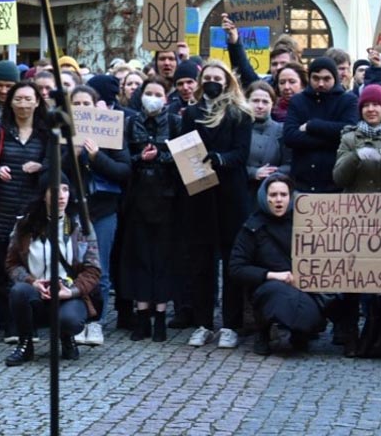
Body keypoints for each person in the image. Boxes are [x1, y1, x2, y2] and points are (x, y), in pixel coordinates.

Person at [332, 84, 381, 358]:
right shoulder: (349, 138)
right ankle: (352, 338)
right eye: (366, 105)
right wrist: (355, 156)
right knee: (352, 282)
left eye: (376, 105)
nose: (371, 109)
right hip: (355, 220)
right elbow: (339, 177)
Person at [181, 60, 253, 349]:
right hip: (200, 194)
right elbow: (183, 147)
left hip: (231, 196)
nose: (212, 81)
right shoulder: (191, 113)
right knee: (201, 261)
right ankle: (202, 322)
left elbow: (241, 153)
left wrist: (219, 158)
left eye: (217, 77)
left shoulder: (239, 114)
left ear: (227, 82)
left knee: (231, 262)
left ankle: (231, 323)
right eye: (207, 77)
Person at [3, 177, 101, 366]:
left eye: (65, 189)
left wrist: (70, 291)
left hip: (68, 292)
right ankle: (25, 343)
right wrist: (32, 281)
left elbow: (94, 270)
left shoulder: (81, 226)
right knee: (18, 292)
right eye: (55, 190)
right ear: (44, 195)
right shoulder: (25, 225)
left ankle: (66, 337)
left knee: (69, 320)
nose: (61, 196)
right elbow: (11, 264)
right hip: (36, 290)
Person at [0, 81, 49, 339]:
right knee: (4, 266)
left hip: (33, 208)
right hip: (3, 209)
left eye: (28, 99)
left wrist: (40, 167)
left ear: (37, 102)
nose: (23, 104)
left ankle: (31, 321)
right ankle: (8, 323)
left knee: (32, 264)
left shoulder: (45, 134)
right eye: (18, 99)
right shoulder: (0, 132)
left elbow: (53, 166)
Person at [62, 85, 131, 347]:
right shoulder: (63, 134)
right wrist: (73, 153)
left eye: (85, 104)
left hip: (102, 212)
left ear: (95, 107)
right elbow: (54, 168)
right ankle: (76, 319)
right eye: (76, 105)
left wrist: (96, 156)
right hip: (72, 212)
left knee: (98, 269)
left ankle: (96, 322)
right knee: (72, 268)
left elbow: (123, 170)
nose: (81, 109)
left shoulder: (111, 132)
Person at [230, 174, 328, 355]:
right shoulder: (252, 227)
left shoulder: (307, 222)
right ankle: (263, 331)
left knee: (313, 310)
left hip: (304, 286)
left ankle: (301, 332)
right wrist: (273, 275)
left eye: (283, 195)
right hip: (268, 288)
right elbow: (236, 268)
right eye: (273, 195)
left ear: (291, 197)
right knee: (278, 293)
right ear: (264, 197)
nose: (278, 200)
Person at [121, 76, 181, 342]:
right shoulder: (130, 123)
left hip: (167, 199)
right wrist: (139, 158)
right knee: (140, 255)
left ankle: (160, 316)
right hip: (137, 197)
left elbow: (185, 157)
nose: (152, 97)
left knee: (164, 257)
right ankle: (142, 313)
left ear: (165, 98)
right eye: (148, 92)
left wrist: (161, 157)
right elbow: (122, 159)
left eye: (158, 93)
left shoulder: (176, 123)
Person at [283, 57, 358, 194]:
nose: (321, 84)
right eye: (316, 78)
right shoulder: (298, 101)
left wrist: (313, 126)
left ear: (335, 78)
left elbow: (349, 132)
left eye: (326, 79)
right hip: (302, 183)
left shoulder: (348, 100)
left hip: (336, 184)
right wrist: (332, 139)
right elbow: (290, 137)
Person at [245, 81, 290, 198]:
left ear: (273, 104)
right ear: (246, 102)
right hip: (243, 194)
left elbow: (290, 164)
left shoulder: (282, 130)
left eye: (265, 102)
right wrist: (253, 173)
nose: (260, 106)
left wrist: (272, 174)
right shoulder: (237, 129)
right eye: (255, 101)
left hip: (273, 195)